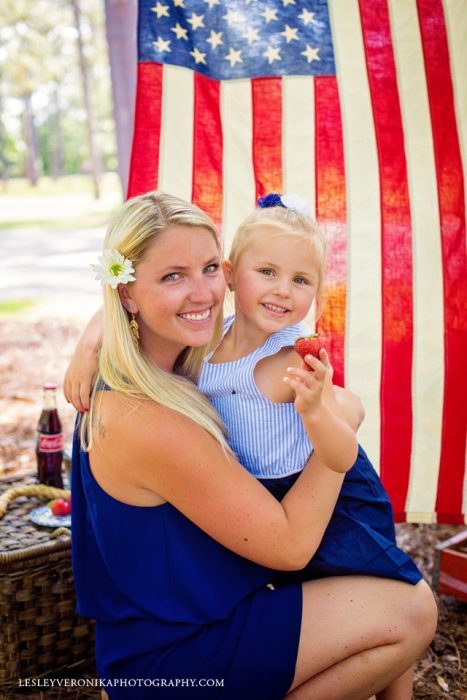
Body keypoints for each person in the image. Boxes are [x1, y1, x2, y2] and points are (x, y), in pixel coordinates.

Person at [66, 191, 437, 699]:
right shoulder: (144, 417)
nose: (203, 293)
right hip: (174, 657)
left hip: (197, 616)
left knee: (383, 595)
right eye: (174, 276)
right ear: (126, 293)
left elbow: (139, 295)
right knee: (411, 611)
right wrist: (340, 424)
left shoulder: (177, 361)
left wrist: (94, 332)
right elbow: (289, 547)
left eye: (210, 268)